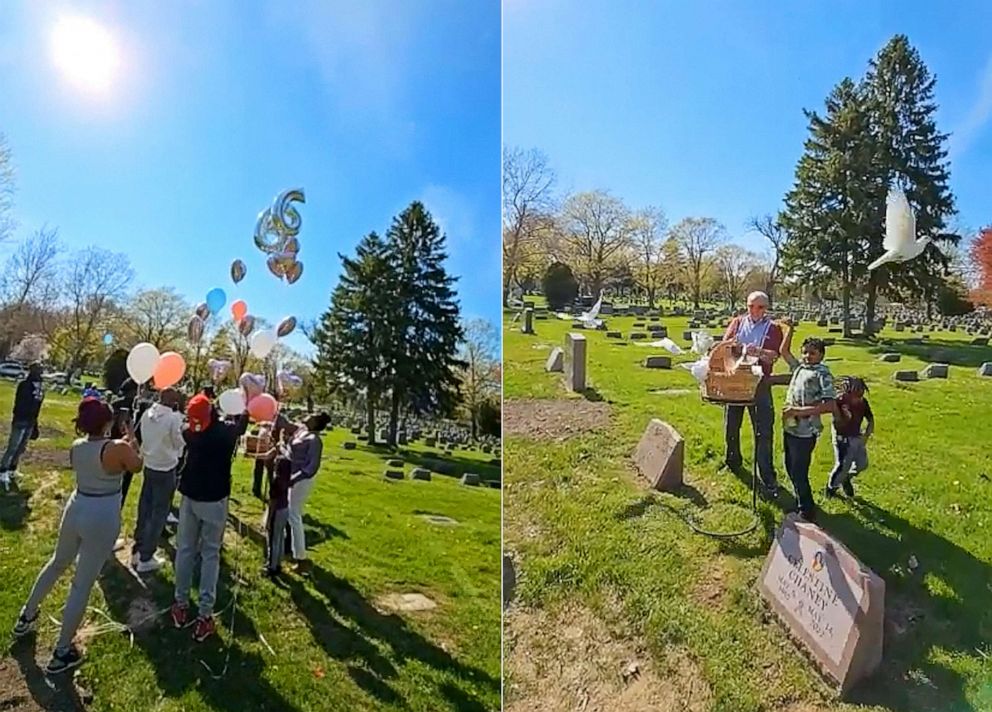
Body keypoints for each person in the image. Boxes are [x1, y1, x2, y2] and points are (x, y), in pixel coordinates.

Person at [12, 398, 142, 674]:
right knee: (82, 583)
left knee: (57, 562)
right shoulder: (117, 447)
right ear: (107, 422)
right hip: (102, 512)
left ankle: (26, 615)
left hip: (77, 505)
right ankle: (61, 652)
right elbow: (137, 465)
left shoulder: (77, 446)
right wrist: (131, 438)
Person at [170, 394, 249, 641]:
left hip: (190, 496)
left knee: (185, 550)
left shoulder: (189, 433)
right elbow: (242, 426)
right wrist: (244, 404)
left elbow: (187, 426)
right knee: (210, 554)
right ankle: (204, 615)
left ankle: (180, 604)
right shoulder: (224, 434)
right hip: (214, 499)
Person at [719, 292, 784, 495]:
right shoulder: (737, 322)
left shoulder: (773, 328)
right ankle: (732, 462)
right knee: (731, 425)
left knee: (763, 431)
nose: (755, 311)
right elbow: (724, 346)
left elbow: (774, 356)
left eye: (760, 307)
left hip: (760, 384)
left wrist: (760, 353)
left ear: (767, 308)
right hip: (735, 382)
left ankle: (766, 475)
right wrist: (736, 348)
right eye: (751, 306)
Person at [779, 335, 838, 523]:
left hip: (806, 431)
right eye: (804, 352)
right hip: (791, 427)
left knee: (799, 470)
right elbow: (784, 352)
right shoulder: (799, 368)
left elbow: (830, 406)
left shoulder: (823, 374)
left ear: (821, 355)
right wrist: (790, 330)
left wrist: (799, 410)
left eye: (812, 353)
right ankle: (800, 501)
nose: (807, 356)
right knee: (789, 466)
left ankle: (807, 511)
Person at [131, 387, 185, 573]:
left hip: (150, 464)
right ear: (172, 401)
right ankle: (146, 556)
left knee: (144, 507)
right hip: (166, 468)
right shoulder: (172, 418)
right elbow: (179, 442)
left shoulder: (147, 413)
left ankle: (137, 548)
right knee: (158, 513)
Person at [285, 412, 331, 575]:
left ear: (316, 423)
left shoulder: (314, 440)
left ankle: (301, 558)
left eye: (312, 416)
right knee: (289, 514)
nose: (308, 416)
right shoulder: (302, 432)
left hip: (300, 480)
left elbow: (311, 467)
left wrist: (294, 479)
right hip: (291, 477)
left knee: (294, 515)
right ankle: (291, 549)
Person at [825, 376, 874, 499]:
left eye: (861, 393)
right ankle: (831, 488)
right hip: (843, 437)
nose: (858, 398)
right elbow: (838, 424)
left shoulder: (863, 403)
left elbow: (870, 419)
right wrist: (844, 417)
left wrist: (866, 435)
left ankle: (845, 477)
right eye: (855, 394)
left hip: (856, 436)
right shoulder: (839, 402)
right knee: (843, 464)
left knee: (862, 464)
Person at [1, 362, 45, 486]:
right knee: (13, 446)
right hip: (21, 419)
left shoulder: (40, 387)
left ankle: (12, 469)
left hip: (31, 421)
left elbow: (38, 406)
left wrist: (35, 423)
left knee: (21, 448)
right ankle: (3, 470)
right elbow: (20, 404)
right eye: (38, 370)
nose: (40, 373)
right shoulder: (25, 385)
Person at [263, 455, 293, 578]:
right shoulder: (287, 480)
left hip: (277, 511)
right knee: (280, 537)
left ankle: (272, 566)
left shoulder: (276, 481)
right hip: (285, 509)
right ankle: (279, 562)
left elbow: (273, 502)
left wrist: (269, 519)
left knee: (272, 539)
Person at [252, 410, 292, 501]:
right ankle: (256, 489)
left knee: (271, 471)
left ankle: (273, 492)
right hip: (262, 444)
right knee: (258, 467)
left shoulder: (281, 419)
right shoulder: (264, 414)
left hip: (273, 447)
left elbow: (284, 432)